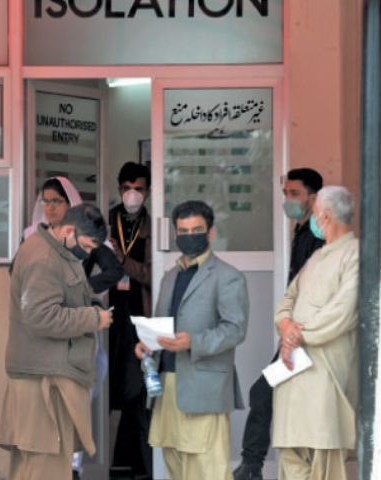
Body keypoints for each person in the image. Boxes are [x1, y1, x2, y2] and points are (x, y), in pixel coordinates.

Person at [0, 204, 113, 480]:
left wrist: (88, 305)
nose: (88, 253)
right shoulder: (44, 258)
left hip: (47, 374)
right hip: (44, 381)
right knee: (43, 468)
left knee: (37, 466)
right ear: (69, 231)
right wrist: (92, 318)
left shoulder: (54, 251)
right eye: (86, 246)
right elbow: (41, 316)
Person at [136, 200, 249, 480]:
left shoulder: (228, 276)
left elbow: (235, 329)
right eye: (183, 231)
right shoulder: (169, 277)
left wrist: (193, 342)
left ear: (210, 233)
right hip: (168, 386)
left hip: (204, 388)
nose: (189, 236)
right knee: (175, 466)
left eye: (196, 229)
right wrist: (147, 343)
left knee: (207, 472)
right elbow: (161, 325)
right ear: (175, 234)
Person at [24, 177, 124, 480]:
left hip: (78, 326)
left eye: (58, 201)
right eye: (46, 201)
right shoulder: (32, 237)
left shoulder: (85, 237)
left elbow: (114, 269)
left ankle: (73, 466)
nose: (51, 207)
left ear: (71, 205)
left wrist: (83, 289)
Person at [234, 168, 324, 480]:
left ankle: (251, 466)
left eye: (294, 194)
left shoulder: (319, 236)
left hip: (310, 337)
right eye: (285, 193)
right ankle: (252, 466)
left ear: (313, 198)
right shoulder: (303, 231)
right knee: (269, 395)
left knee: (265, 392)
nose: (287, 200)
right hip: (295, 335)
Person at [272, 186, 358, 480]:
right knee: (290, 451)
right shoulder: (317, 257)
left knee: (324, 458)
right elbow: (287, 301)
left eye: (315, 212)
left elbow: (343, 311)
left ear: (325, 215)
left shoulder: (356, 255)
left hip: (325, 373)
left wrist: (296, 336)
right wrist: (285, 326)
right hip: (292, 370)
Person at [108, 161, 153, 478]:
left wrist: (124, 260)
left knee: (137, 388)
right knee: (111, 385)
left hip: (141, 312)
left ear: (147, 191)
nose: (132, 194)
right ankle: (115, 461)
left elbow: (151, 274)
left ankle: (137, 463)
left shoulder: (153, 224)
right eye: (126, 188)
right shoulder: (108, 221)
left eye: (138, 188)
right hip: (110, 315)